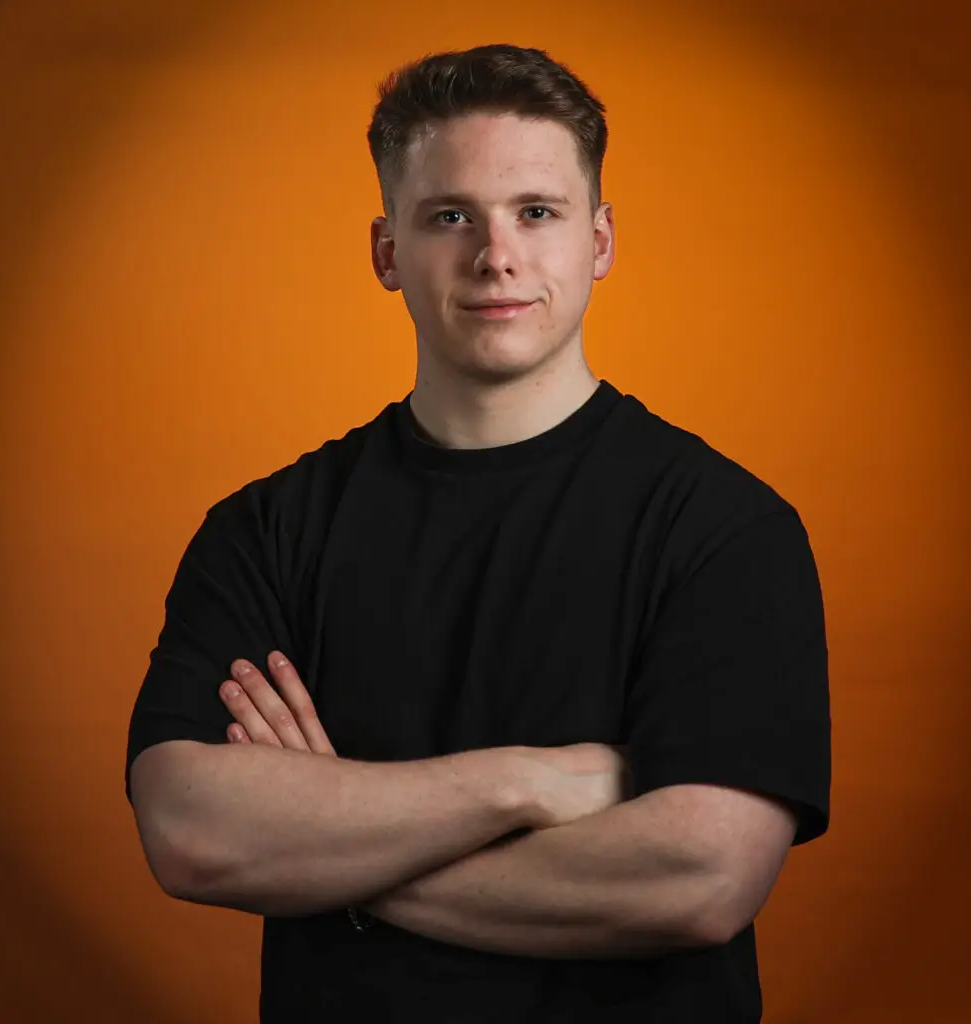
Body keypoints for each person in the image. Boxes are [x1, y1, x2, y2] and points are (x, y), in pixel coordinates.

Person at [125, 42, 831, 1023]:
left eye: (536, 212)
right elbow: (189, 832)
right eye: (450, 216)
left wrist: (334, 853)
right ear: (387, 252)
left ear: (599, 241)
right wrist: (527, 782)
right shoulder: (265, 530)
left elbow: (701, 879)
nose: (496, 255)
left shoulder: (726, 528)